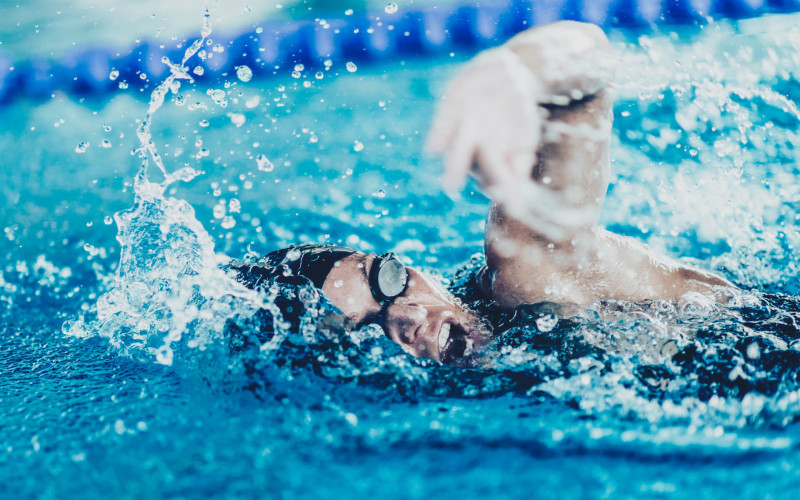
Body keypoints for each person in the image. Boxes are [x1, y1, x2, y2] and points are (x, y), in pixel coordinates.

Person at [229, 21, 736, 366]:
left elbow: (589, 69)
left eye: (387, 280)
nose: (408, 318)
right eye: (365, 329)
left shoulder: (525, 273)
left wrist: (515, 69)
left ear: (407, 263)